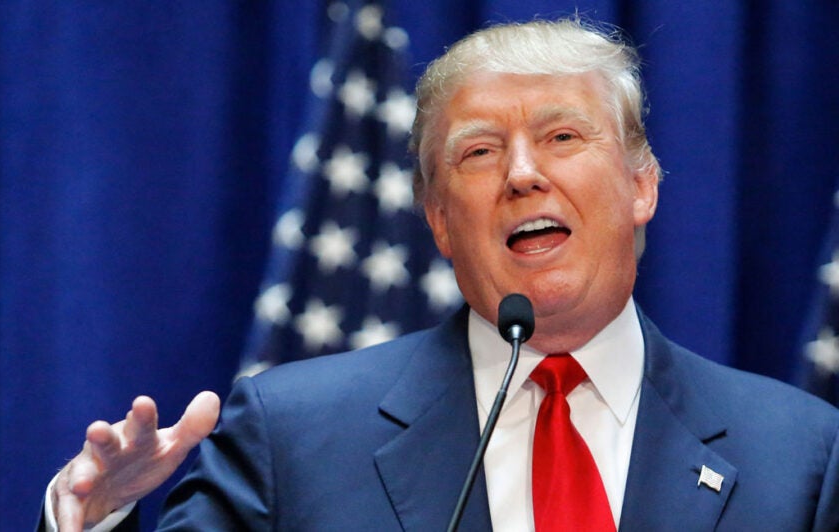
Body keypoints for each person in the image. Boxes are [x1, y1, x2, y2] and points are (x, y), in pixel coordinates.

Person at [42, 18, 839, 531]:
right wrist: (95, 522)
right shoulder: (292, 438)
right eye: (480, 151)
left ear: (642, 185)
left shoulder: (798, 455)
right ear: (438, 219)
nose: (523, 174)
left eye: (563, 136)